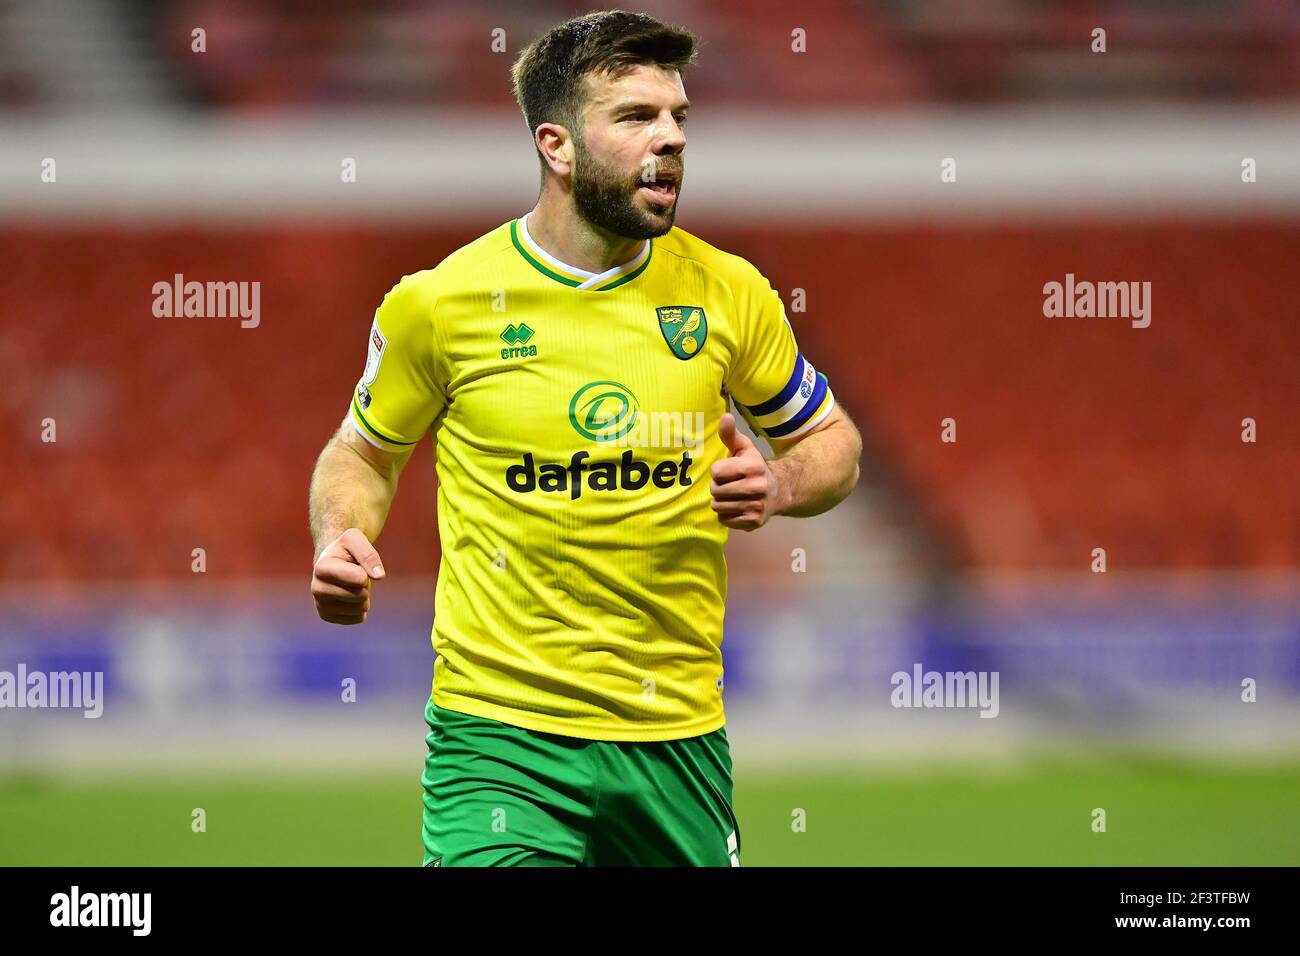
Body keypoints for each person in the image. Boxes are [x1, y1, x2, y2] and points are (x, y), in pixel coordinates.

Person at [308, 9, 862, 866]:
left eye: (679, 116)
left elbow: (833, 443)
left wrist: (783, 485)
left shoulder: (730, 293)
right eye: (637, 117)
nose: (671, 138)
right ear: (556, 146)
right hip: (498, 739)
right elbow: (361, 452)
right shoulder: (441, 303)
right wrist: (342, 533)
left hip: (676, 740)